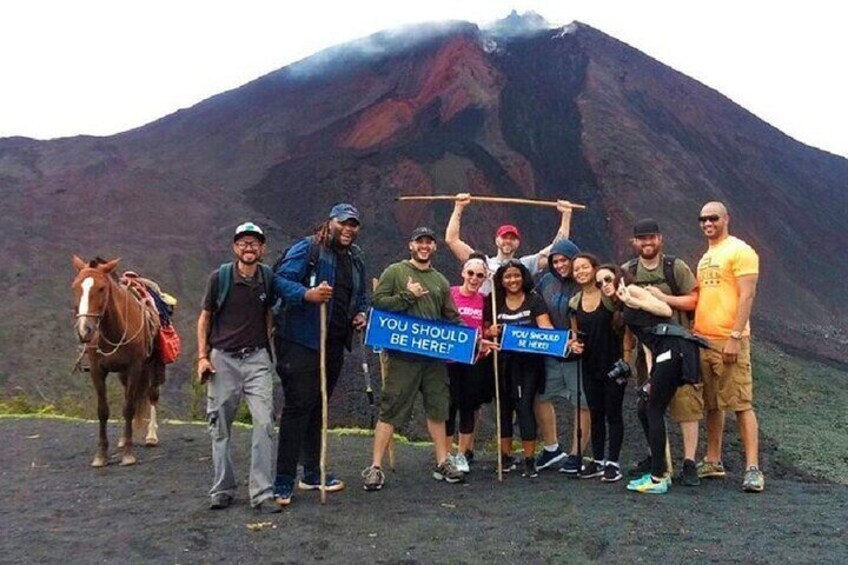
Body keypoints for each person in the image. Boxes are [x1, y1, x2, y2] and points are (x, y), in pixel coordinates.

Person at [272, 203, 369, 506]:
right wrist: (306, 295)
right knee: (298, 406)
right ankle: (283, 480)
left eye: (353, 225)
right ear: (330, 223)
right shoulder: (308, 249)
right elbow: (279, 281)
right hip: (301, 341)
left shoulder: (356, 258)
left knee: (318, 406)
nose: (349, 229)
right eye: (344, 223)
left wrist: (361, 314)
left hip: (335, 342)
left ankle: (312, 473)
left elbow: (361, 295)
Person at [362, 227, 466, 491]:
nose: (424, 246)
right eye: (420, 242)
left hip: (433, 359)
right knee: (391, 408)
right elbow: (378, 303)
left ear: (434, 247)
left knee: (437, 408)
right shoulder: (395, 272)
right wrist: (408, 296)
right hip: (402, 357)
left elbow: (452, 317)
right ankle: (375, 467)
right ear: (411, 245)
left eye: (429, 243)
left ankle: (443, 462)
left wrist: (473, 339)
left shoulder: (440, 281)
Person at [596, 264, 705, 494]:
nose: (604, 285)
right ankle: (659, 468)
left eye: (607, 279)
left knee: (653, 409)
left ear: (618, 277)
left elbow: (664, 310)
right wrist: (651, 376)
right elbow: (647, 344)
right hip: (662, 352)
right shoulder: (622, 307)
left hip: (675, 348)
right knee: (644, 407)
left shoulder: (633, 291)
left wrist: (633, 301)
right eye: (600, 284)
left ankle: (658, 478)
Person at [196, 222, 280, 513]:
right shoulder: (220, 278)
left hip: (257, 359)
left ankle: (262, 493)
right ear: (235, 247)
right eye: (243, 243)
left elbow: (270, 311)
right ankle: (222, 489)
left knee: (264, 423)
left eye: (254, 243)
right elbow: (205, 318)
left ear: (262, 249)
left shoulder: (267, 278)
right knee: (219, 425)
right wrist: (202, 357)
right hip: (223, 359)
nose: (249, 248)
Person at [622, 219, 702, 487]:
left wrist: (661, 298)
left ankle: (689, 462)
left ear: (660, 239)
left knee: (686, 404)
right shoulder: (628, 271)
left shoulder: (674, 267)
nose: (647, 243)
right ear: (634, 242)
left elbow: (693, 300)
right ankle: (657, 459)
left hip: (677, 345)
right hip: (648, 349)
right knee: (647, 405)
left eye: (651, 238)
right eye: (641, 238)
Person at [693, 202, 763, 492]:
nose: (708, 223)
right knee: (712, 403)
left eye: (713, 218)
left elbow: (747, 296)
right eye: (703, 219)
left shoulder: (740, 251)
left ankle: (752, 468)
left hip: (730, 338)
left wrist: (735, 335)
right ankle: (713, 459)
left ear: (726, 219)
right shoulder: (706, 256)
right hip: (703, 339)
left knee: (741, 402)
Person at [485, 260, 554, 479]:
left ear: (523, 277)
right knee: (504, 408)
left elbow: (546, 328)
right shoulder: (494, 301)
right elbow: (484, 329)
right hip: (502, 363)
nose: (512, 280)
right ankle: (505, 456)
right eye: (507, 277)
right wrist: (490, 331)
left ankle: (529, 459)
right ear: (501, 280)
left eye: (516, 276)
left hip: (529, 364)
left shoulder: (534, 300)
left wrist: (560, 340)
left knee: (524, 407)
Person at [567, 254, 626, 483]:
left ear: (594, 268)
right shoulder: (575, 302)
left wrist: (627, 361)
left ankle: (613, 462)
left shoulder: (609, 296)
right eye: (576, 269)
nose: (580, 272)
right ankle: (599, 459)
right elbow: (574, 333)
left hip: (613, 363)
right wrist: (574, 345)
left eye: (584, 267)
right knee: (596, 413)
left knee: (614, 413)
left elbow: (625, 326)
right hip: (589, 364)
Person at [534, 239, 591, 474]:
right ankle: (552, 447)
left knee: (582, 402)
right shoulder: (546, 282)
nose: (559, 265)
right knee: (540, 396)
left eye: (563, 260)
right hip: (553, 350)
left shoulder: (583, 282)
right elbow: (538, 309)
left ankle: (577, 452)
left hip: (579, 353)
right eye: (555, 261)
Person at [444, 192, 574, 294]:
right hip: (485, 317)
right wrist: (458, 207)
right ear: (496, 240)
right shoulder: (481, 262)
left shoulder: (524, 265)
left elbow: (558, 248)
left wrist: (566, 216)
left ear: (518, 243)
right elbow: (452, 240)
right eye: (504, 237)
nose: (508, 241)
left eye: (512, 238)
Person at [445, 256, 490, 473]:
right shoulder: (449, 294)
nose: (474, 278)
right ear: (463, 272)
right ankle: (444, 456)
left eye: (479, 275)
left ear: (485, 278)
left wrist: (489, 339)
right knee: (448, 408)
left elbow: (488, 328)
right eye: (470, 273)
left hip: (474, 362)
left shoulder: (485, 300)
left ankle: (462, 455)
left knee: (468, 408)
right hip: (449, 361)